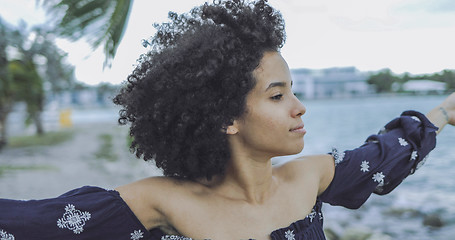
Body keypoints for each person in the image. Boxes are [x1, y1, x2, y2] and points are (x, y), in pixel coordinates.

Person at [1, 0, 454, 239]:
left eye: (293, 91)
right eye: (278, 95)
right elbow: (35, 223)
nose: (299, 107)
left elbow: (390, 152)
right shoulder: (160, 202)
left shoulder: (310, 177)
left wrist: (445, 111)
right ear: (225, 118)